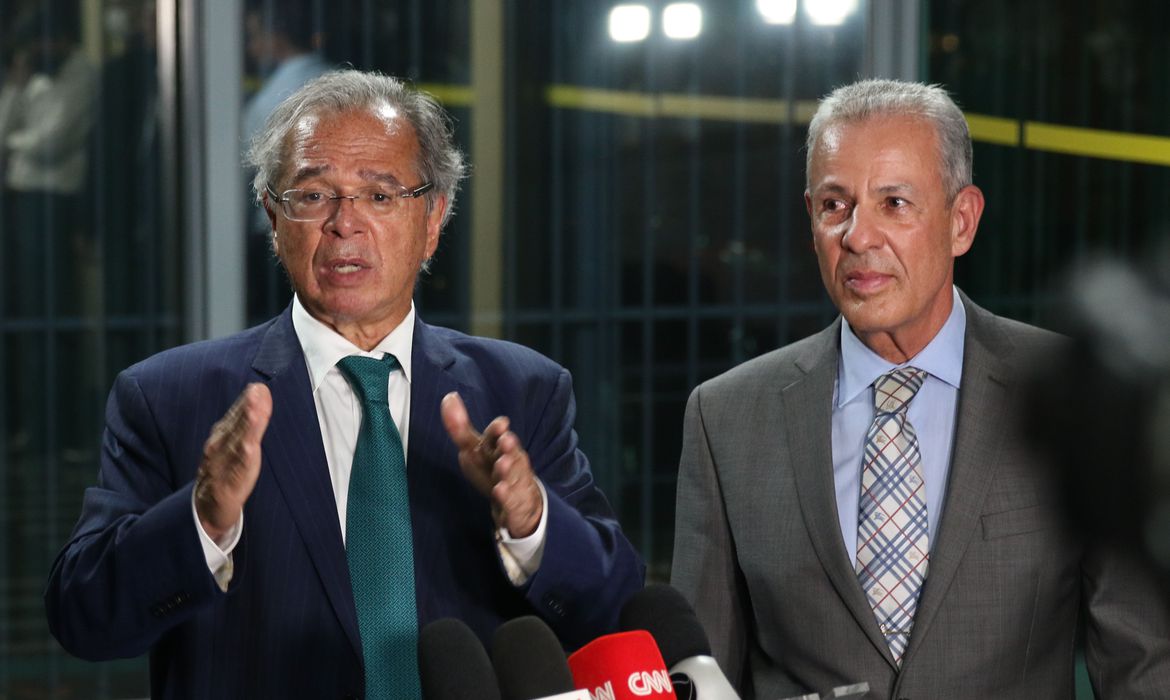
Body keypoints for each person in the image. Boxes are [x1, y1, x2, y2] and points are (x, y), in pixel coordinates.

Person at [45, 69, 644, 700]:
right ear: (273, 218)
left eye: (379, 195)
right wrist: (202, 520)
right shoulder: (168, 398)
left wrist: (531, 523)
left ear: (433, 219)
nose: (344, 224)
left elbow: (617, 609)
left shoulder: (523, 391)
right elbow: (84, 620)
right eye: (312, 195)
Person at [670, 79, 1170, 699]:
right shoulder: (725, 419)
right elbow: (701, 675)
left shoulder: (1071, 396)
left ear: (962, 221)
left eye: (894, 203)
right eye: (835, 205)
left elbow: (1145, 670)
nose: (858, 236)